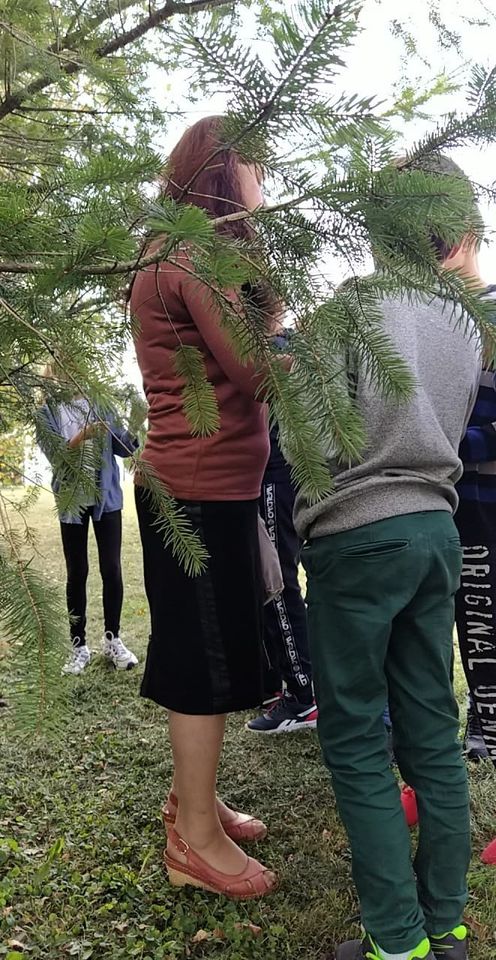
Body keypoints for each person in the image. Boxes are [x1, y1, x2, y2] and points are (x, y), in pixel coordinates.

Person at [294, 157, 482, 960]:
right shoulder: (466, 324)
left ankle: (397, 942)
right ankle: (447, 926)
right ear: (454, 226)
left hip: (356, 536)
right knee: (433, 730)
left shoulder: (345, 312)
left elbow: (306, 440)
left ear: (373, 227)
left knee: (356, 738)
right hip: (436, 531)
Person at [130, 116, 282, 899]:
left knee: (207, 654)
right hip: (197, 491)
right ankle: (193, 839)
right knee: (202, 667)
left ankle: (194, 801)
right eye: (256, 165)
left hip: (205, 486)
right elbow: (258, 370)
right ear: (223, 171)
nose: (265, 181)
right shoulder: (193, 255)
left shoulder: (178, 251)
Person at [37, 374, 139, 674]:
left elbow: (124, 447)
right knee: (77, 571)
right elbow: (56, 457)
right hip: (72, 500)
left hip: (107, 498)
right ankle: (78, 646)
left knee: (112, 568)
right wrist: (83, 435)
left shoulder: (99, 401)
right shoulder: (46, 412)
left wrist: (136, 422)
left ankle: (113, 639)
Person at [454, 287, 496, 864]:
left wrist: (441, 440)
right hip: (436, 503)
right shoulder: (425, 309)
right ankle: (429, 782)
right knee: (429, 651)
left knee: (486, 645)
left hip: (486, 505)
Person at [247, 419, 318, 733]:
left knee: (277, 582)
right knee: (269, 580)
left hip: (277, 469)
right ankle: (277, 682)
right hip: (267, 467)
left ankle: (302, 696)